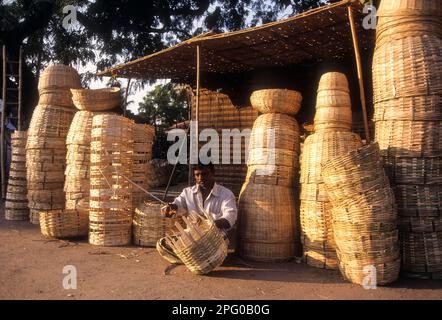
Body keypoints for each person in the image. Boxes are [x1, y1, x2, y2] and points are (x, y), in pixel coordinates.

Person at [156, 162, 238, 264]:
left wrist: (208, 223)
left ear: (213, 173)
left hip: (215, 238)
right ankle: (193, 257)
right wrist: (170, 208)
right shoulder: (188, 192)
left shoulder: (226, 194)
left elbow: (230, 218)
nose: (200, 178)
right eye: (197, 175)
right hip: (192, 237)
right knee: (162, 244)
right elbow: (177, 205)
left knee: (203, 248)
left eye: (205, 174)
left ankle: (192, 258)